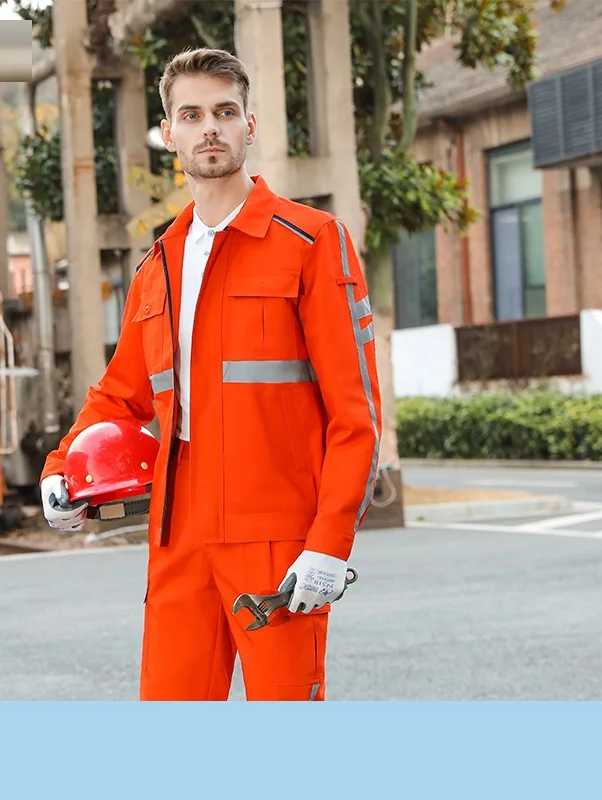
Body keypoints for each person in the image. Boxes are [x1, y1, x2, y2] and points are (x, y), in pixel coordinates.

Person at [40, 47, 382, 701]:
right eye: (192, 115)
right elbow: (119, 396)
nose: (210, 128)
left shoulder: (311, 243)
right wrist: (61, 467)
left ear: (250, 125)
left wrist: (330, 543)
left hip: (276, 538)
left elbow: (356, 416)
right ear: (170, 134)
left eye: (225, 112)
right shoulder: (158, 265)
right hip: (179, 537)